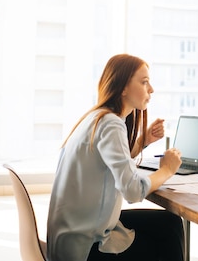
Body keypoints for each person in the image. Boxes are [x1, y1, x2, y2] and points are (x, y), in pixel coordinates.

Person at [47, 53, 185, 261]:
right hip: (86, 247)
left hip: (72, 235)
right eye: (144, 82)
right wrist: (167, 170)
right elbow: (132, 190)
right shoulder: (111, 123)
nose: (151, 89)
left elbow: (109, 163)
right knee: (167, 237)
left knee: (170, 223)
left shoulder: (97, 116)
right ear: (123, 87)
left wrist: (143, 141)